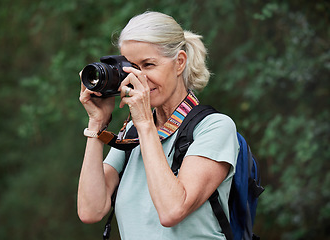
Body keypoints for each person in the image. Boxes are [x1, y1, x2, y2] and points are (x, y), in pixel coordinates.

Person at [78, 11, 239, 239]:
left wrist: (144, 123)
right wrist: (96, 124)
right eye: (132, 67)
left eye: (148, 64)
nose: (139, 78)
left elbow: (172, 211)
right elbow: (90, 210)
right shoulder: (131, 133)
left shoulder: (214, 128)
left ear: (180, 62)